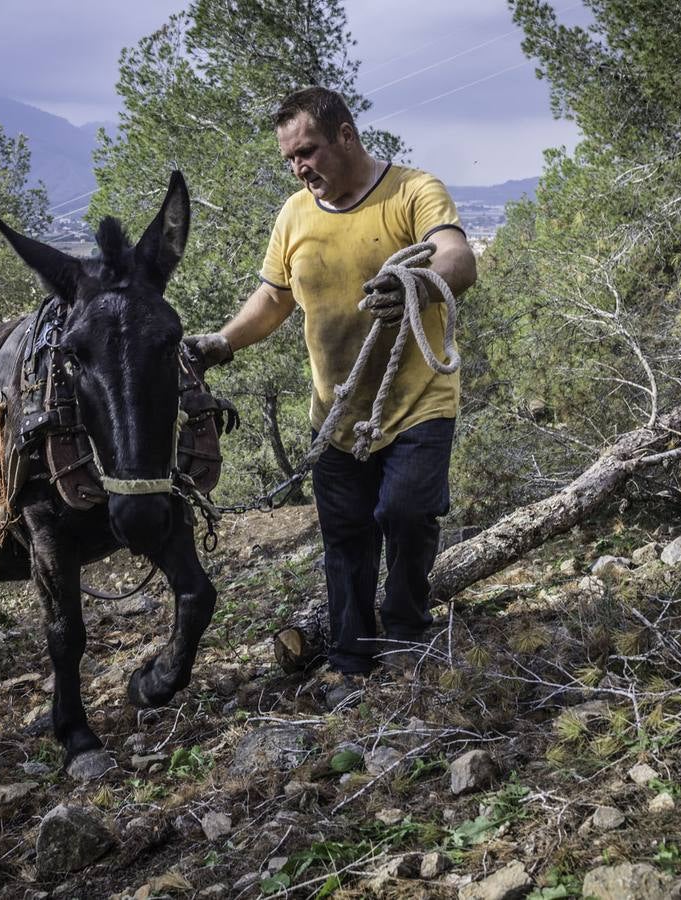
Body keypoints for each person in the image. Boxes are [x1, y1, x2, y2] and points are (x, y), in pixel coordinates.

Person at [185, 86, 476, 701]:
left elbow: (457, 258)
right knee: (344, 536)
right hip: (337, 415)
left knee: (403, 512)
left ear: (347, 135)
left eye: (308, 150)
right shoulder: (294, 214)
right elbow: (272, 300)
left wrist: (420, 285)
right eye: (290, 158)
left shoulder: (413, 191)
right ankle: (350, 656)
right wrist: (221, 343)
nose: (300, 167)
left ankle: (405, 635)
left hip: (418, 402)